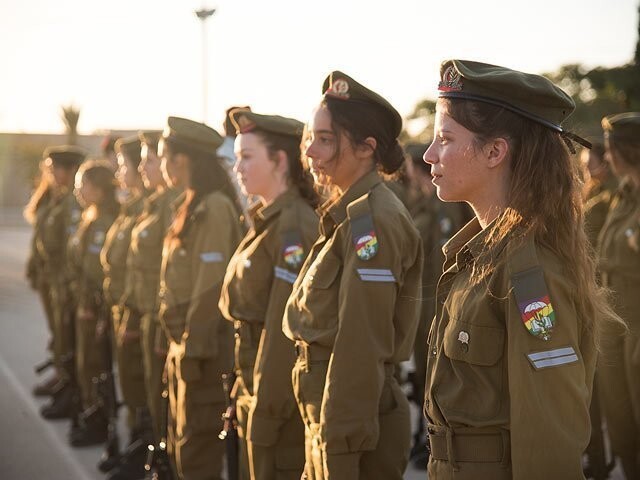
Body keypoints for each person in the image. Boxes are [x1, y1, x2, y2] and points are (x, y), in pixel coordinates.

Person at [422, 59, 620, 479]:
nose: (429, 154)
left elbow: (549, 444)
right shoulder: (480, 257)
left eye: (444, 139)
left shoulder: (531, 277)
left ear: (494, 151)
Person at [283, 71, 423, 480]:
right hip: (332, 417)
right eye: (312, 137)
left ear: (366, 148)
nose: (310, 151)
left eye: (325, 139)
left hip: (352, 428)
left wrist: (337, 447)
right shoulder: (349, 215)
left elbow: (360, 343)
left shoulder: (372, 221)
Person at [219, 110, 319, 480]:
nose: (237, 167)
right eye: (236, 157)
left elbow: (281, 332)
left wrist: (264, 410)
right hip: (252, 387)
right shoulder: (268, 220)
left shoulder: (293, 226)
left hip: (275, 400)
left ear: (279, 161)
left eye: (247, 157)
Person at [158, 116, 244, 480]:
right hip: (186, 352)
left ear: (183, 159)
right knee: (182, 448)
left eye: (164, 156)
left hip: (203, 357)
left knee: (197, 457)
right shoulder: (190, 205)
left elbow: (209, 290)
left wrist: (192, 353)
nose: (161, 165)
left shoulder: (214, 209)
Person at [402, 142, 471, 469]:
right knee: (422, 376)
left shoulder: (443, 209)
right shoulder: (422, 203)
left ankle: (432, 438)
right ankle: (424, 435)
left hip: (435, 303)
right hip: (421, 304)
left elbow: (444, 257)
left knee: (435, 375)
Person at [99, 135, 150, 477]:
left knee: (142, 393)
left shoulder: (150, 211)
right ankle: (135, 447)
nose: (119, 172)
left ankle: (142, 454)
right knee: (130, 389)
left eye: (123, 165)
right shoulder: (133, 208)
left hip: (142, 318)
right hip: (122, 311)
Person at [127, 130, 180, 448]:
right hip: (146, 311)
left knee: (163, 401)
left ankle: (160, 453)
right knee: (147, 389)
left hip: (161, 318)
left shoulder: (171, 206)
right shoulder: (153, 204)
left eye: (150, 160)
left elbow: (169, 273)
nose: (144, 167)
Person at [596, 112, 640, 479]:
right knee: (621, 421)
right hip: (616, 324)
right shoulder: (622, 195)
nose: (607, 157)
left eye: (611, 149)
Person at [68, 160, 120, 446]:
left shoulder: (108, 220)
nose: (78, 190)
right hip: (84, 304)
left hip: (98, 307)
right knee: (85, 362)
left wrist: (97, 309)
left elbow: (102, 270)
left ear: (98, 190)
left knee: (97, 364)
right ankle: (90, 411)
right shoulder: (90, 216)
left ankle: (100, 418)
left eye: (82, 184)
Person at [30, 146, 85, 408]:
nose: (51, 173)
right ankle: (63, 377)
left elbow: (70, 248)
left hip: (63, 280)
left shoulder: (72, 203)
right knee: (58, 332)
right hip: (49, 277)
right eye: (49, 168)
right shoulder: (52, 198)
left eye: (56, 168)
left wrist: (69, 283)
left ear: (70, 170)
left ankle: (69, 382)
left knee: (66, 334)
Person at [581, 140, 618, 248]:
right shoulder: (590, 191)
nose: (586, 168)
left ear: (604, 162)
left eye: (590, 163)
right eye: (583, 164)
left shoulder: (613, 192)